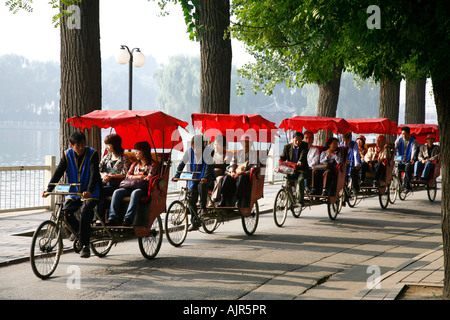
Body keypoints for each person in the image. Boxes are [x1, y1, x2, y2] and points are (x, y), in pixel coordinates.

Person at [42, 131, 101, 258]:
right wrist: (49, 189)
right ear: (71, 145)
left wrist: (89, 190)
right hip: (75, 192)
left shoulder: (92, 154)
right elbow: (59, 172)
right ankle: (82, 234)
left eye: (83, 145)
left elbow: (94, 173)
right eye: (78, 145)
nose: (81, 148)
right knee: (65, 213)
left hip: (91, 191)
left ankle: (85, 246)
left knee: (85, 212)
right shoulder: (67, 155)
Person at [106, 141, 158, 227]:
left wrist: (135, 176)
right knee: (117, 192)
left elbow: (148, 179)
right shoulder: (135, 164)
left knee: (135, 193)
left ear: (144, 151)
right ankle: (112, 218)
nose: (135, 153)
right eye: (135, 150)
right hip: (130, 186)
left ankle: (128, 219)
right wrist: (140, 177)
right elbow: (127, 176)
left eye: (138, 150)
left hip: (142, 188)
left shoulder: (152, 165)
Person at [173, 135, 214, 230]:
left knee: (202, 184)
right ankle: (194, 222)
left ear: (203, 145)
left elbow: (208, 166)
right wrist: (177, 176)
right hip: (195, 178)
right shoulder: (189, 151)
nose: (195, 149)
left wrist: (205, 177)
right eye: (193, 147)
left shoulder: (208, 151)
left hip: (207, 178)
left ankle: (203, 207)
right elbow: (182, 164)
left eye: (197, 147)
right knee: (191, 200)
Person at [97, 134, 130, 222]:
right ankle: (98, 217)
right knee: (96, 189)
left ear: (114, 144)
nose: (107, 147)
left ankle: (100, 218)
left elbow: (125, 174)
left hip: (117, 185)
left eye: (108, 144)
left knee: (101, 191)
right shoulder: (106, 157)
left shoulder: (124, 158)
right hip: (105, 182)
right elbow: (98, 170)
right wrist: (103, 175)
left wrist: (111, 176)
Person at [230, 135, 260, 208]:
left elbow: (254, 168)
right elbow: (232, 164)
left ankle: (238, 199)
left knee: (241, 178)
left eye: (248, 142)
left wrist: (245, 172)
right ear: (241, 143)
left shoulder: (254, 155)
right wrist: (232, 171)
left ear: (251, 144)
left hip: (246, 177)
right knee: (226, 178)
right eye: (244, 142)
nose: (246, 144)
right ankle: (224, 199)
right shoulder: (236, 153)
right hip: (236, 174)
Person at [279, 131, 308, 205]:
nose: (298, 142)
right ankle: (290, 202)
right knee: (287, 182)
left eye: (300, 140)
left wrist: (300, 161)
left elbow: (303, 154)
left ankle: (300, 200)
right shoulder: (287, 147)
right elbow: (283, 156)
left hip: (301, 169)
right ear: (293, 139)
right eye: (296, 140)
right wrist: (280, 162)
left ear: (302, 140)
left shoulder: (304, 145)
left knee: (300, 180)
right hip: (291, 169)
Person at [210, 135, 234, 207]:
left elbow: (225, 165)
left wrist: (213, 165)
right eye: (214, 144)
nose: (215, 146)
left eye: (217, 145)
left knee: (219, 179)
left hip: (224, 174)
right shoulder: (212, 153)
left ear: (223, 146)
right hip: (212, 174)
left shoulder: (228, 154)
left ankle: (215, 198)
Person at [395, 126, 418, 192]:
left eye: (405, 134)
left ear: (408, 134)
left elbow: (414, 150)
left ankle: (407, 186)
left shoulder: (413, 141)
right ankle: (399, 185)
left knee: (408, 170)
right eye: (402, 134)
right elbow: (395, 147)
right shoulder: (399, 140)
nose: (404, 135)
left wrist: (412, 158)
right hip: (400, 160)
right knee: (397, 170)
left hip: (408, 160)